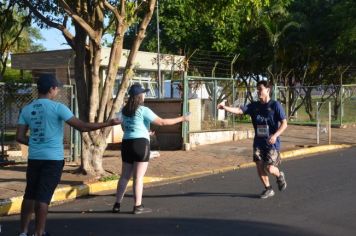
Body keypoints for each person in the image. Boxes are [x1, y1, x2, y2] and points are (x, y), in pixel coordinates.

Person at [16, 74, 121, 236]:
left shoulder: (27, 109)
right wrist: (108, 123)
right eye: (56, 87)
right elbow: (83, 127)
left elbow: (20, 137)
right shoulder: (58, 108)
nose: (57, 90)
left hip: (34, 158)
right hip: (53, 160)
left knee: (30, 194)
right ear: (51, 89)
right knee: (43, 197)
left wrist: (37, 142)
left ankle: (23, 232)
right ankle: (39, 232)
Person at [112, 83, 190, 214]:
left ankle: (117, 205)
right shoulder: (143, 110)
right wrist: (183, 118)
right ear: (139, 96)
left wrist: (144, 132)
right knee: (138, 177)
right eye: (143, 93)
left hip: (126, 144)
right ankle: (137, 206)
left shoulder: (123, 111)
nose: (144, 95)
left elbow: (125, 128)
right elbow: (162, 122)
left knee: (124, 176)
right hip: (140, 144)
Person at [217, 80, 288, 199]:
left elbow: (284, 124)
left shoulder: (275, 105)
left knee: (269, 168)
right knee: (259, 165)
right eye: (257, 89)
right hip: (258, 143)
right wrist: (225, 108)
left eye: (260, 89)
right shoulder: (254, 106)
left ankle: (279, 175)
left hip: (272, 143)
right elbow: (239, 111)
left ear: (268, 90)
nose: (258, 91)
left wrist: (275, 135)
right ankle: (268, 189)